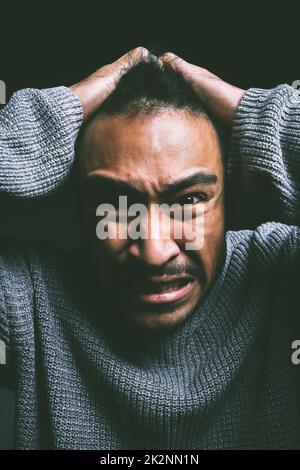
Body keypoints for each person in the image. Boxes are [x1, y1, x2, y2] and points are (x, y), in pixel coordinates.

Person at [0, 47, 299, 450]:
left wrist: (258, 114)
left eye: (189, 201)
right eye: (118, 206)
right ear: (79, 212)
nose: (155, 252)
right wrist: (46, 119)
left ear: (231, 201)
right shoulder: (28, 301)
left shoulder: (283, 277)